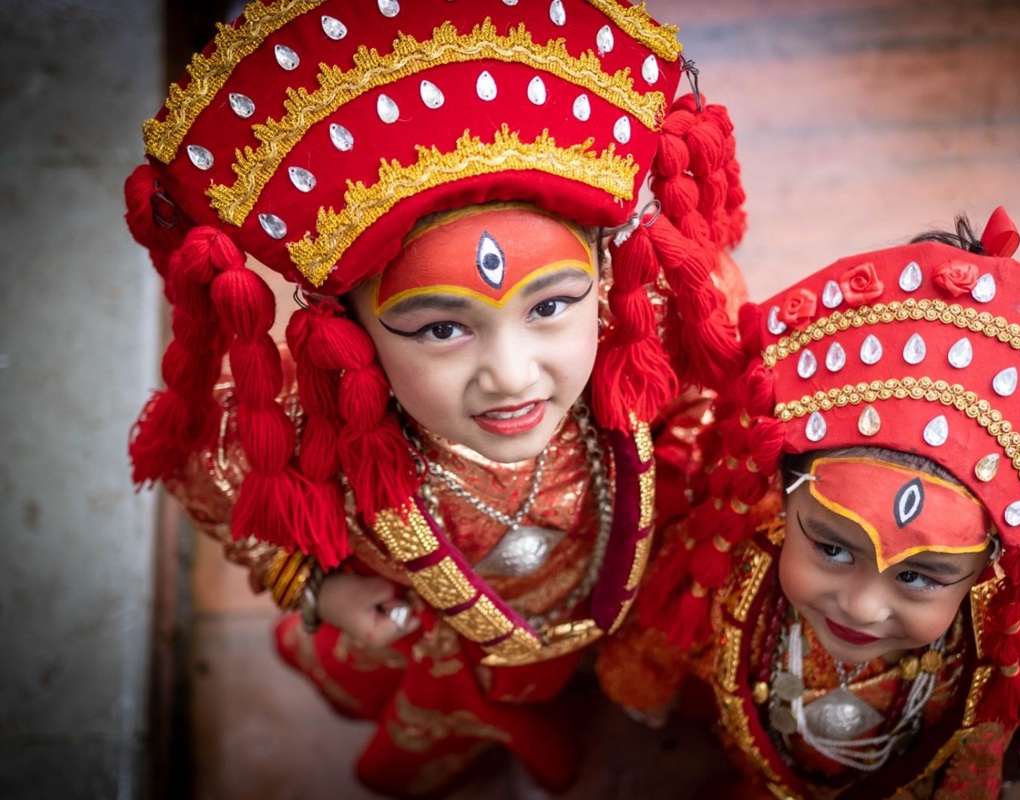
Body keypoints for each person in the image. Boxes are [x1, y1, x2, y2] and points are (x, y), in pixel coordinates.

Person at [122, 1, 748, 796]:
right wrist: (323, 591)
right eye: (442, 330)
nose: (513, 376)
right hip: (445, 651)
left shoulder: (651, 329)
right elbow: (216, 485)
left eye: (551, 308)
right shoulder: (298, 423)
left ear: (604, 283)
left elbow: (707, 412)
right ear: (348, 333)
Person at [625, 207, 1020, 798]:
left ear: (990, 568)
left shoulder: (1009, 640)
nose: (862, 606)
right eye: (831, 546)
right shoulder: (728, 573)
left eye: (919, 576)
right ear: (782, 490)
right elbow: (651, 658)